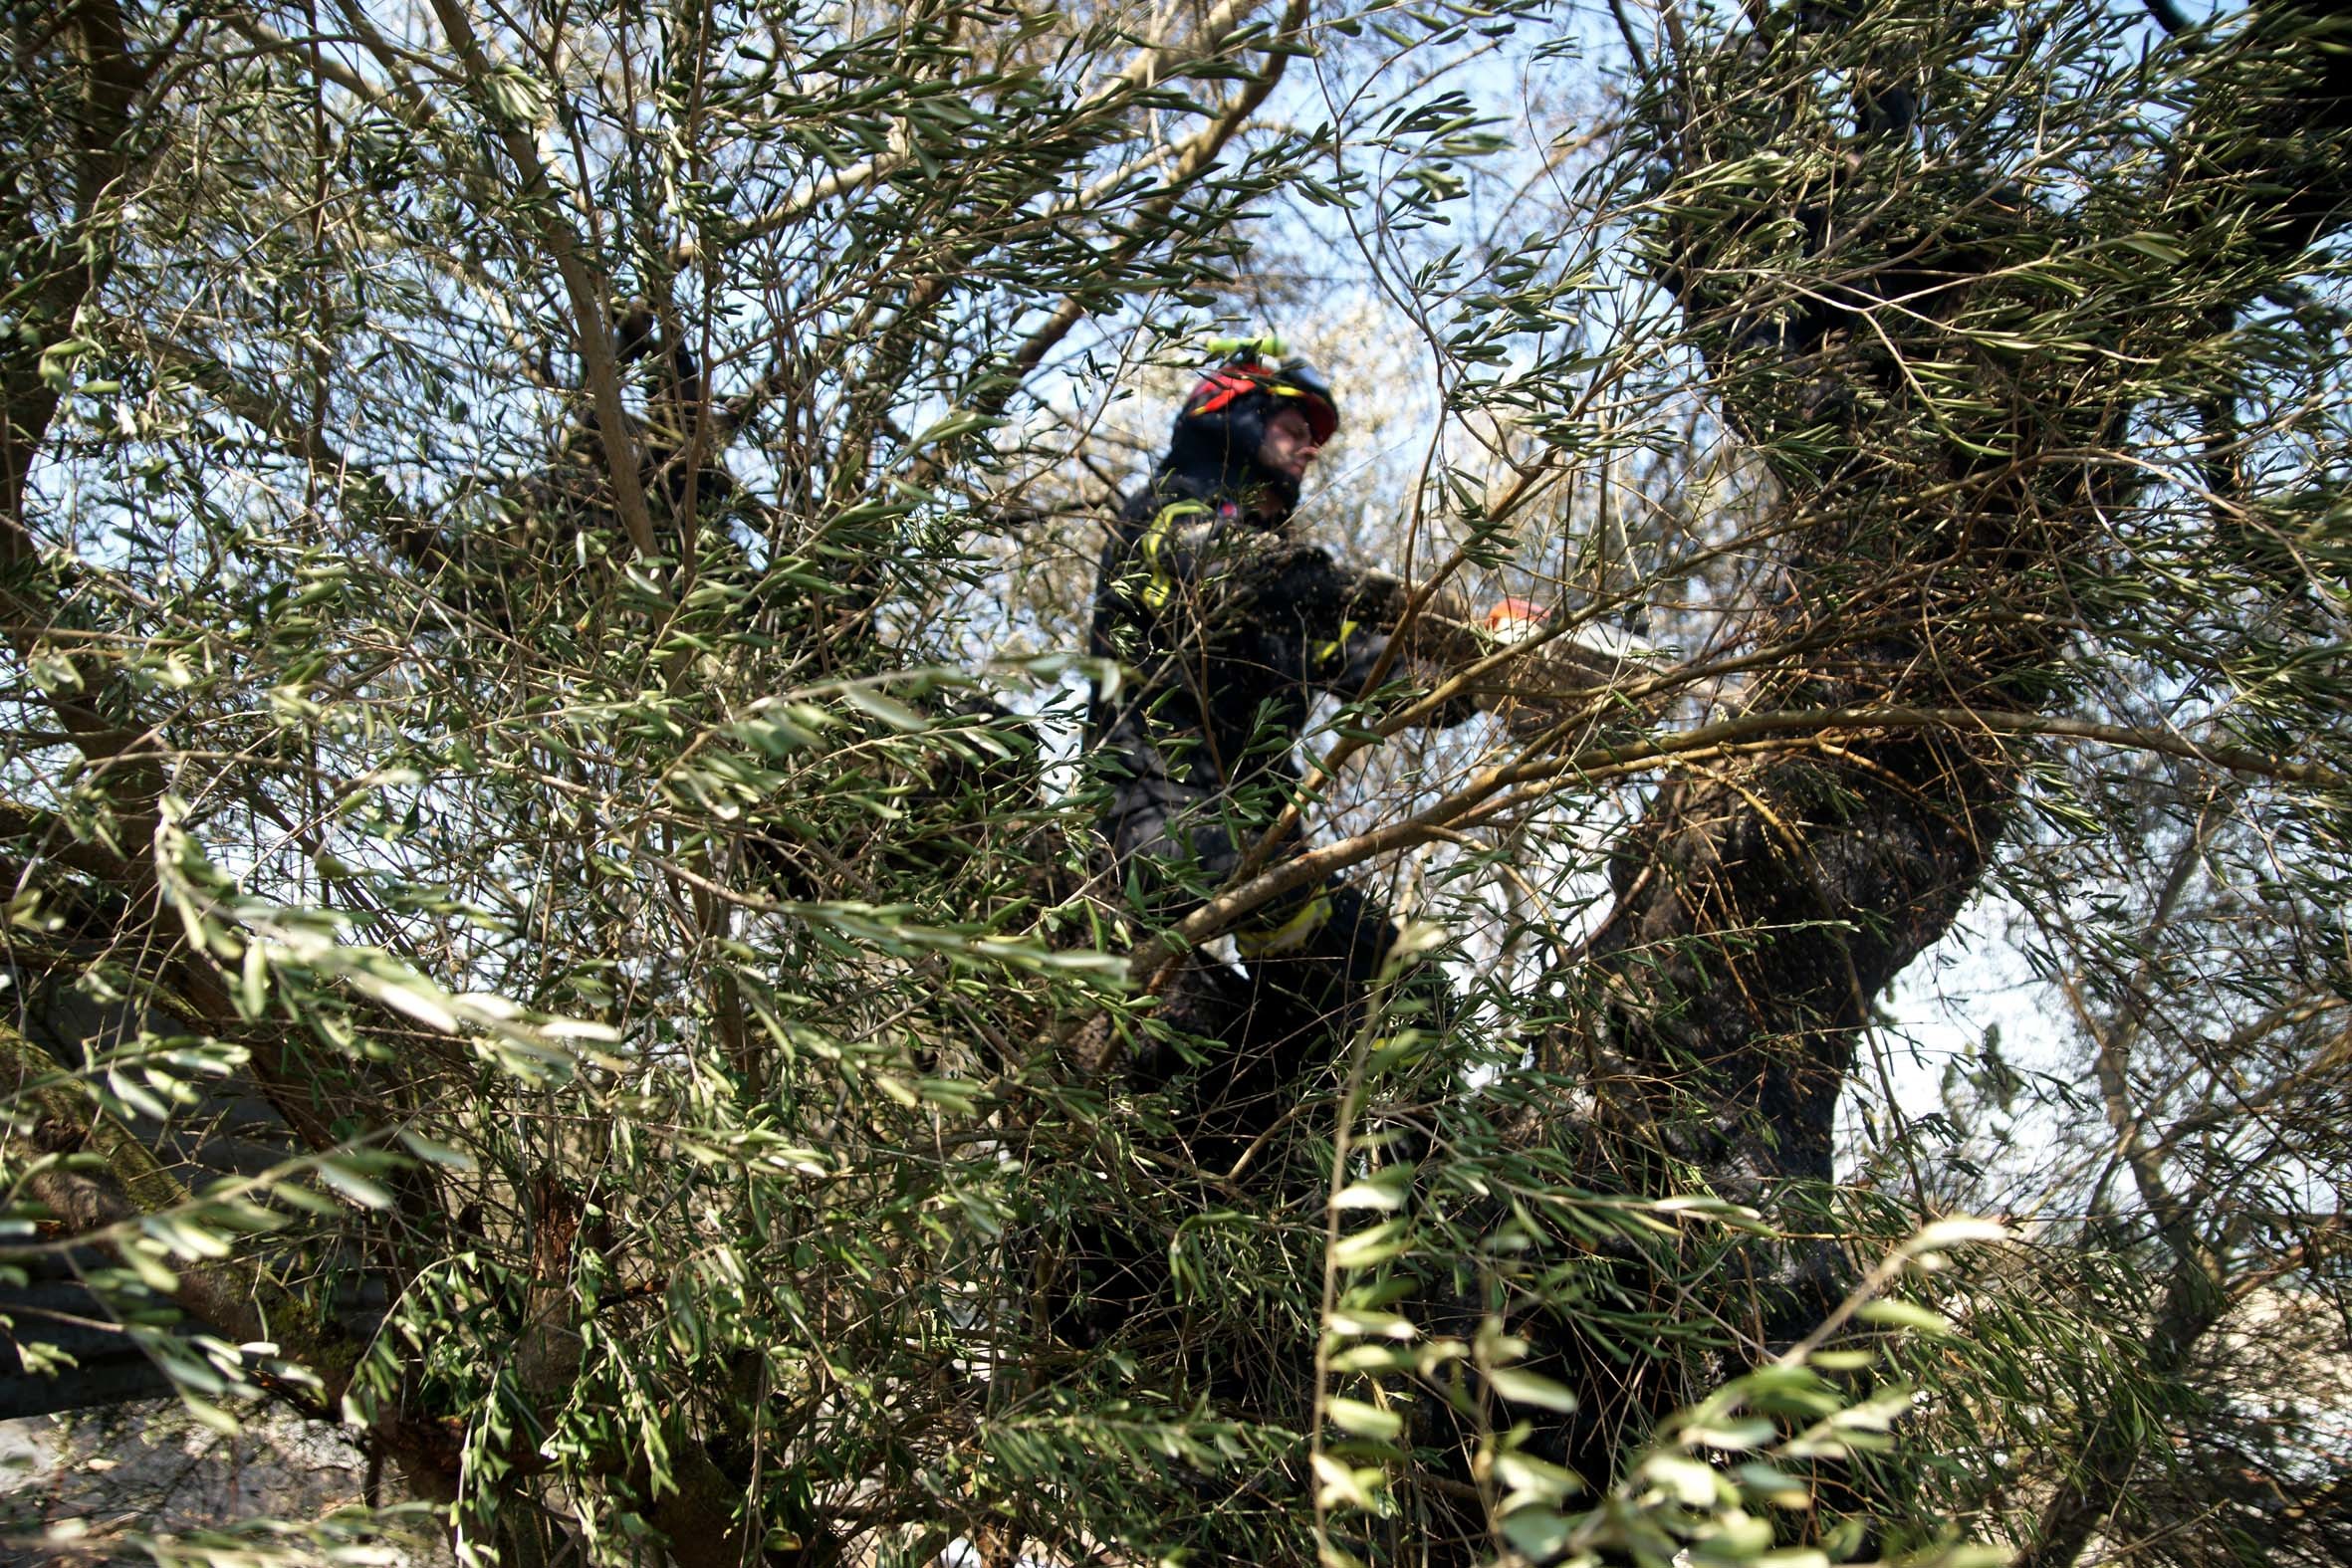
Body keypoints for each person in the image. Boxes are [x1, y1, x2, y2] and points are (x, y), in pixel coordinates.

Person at [1086, 341, 1469, 1081]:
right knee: (1346, 990)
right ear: (1232, 410)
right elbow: (1230, 567)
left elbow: (1370, 670)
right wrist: (1393, 598)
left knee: (1412, 994)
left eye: (1314, 437)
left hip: (1253, 842)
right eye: (1292, 425)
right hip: (1164, 817)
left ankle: (1334, 1149)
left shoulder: (1283, 589)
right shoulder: (1167, 511)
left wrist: (1481, 672)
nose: (1308, 447)